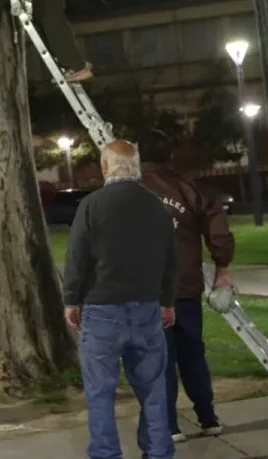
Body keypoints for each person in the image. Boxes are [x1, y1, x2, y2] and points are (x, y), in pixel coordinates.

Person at [63, 140, 177, 459]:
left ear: (105, 167)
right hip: (146, 308)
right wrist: (167, 300)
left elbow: (77, 258)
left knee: (100, 394)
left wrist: (71, 300)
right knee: (153, 391)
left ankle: (106, 453)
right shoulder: (155, 205)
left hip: (101, 310)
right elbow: (171, 258)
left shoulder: (92, 205)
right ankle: (159, 452)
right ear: (136, 165)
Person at [140, 129, 234, 442]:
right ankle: (208, 417)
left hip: (148, 290)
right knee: (193, 352)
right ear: (171, 154)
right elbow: (217, 227)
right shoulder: (190, 188)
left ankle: (169, 425)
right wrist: (222, 267)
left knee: (158, 356)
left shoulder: (129, 190)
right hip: (186, 286)